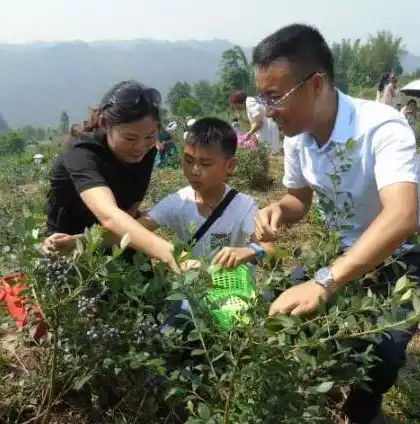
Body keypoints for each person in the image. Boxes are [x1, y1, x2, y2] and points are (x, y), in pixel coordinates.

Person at [252, 24, 420, 424]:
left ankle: (363, 408)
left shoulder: (380, 127)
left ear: (316, 83)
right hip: (338, 252)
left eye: (275, 97)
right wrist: (278, 209)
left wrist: (325, 281)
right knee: (266, 304)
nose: (268, 110)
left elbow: (402, 216)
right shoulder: (297, 139)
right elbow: (299, 200)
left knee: (381, 352)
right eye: (263, 96)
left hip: (399, 257)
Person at [45, 117, 274, 269]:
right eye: (188, 160)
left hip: (236, 293)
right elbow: (129, 232)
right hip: (192, 293)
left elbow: (270, 251)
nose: (194, 171)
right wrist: (79, 242)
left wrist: (248, 251)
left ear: (230, 166)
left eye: (205, 164)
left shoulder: (244, 206)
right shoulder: (178, 201)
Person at [43, 80, 178, 271]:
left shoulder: (148, 151)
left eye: (149, 136)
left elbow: (130, 209)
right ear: (105, 124)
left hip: (118, 236)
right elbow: (109, 215)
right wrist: (170, 254)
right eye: (130, 138)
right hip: (70, 244)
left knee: (146, 294)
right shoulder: (81, 154)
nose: (140, 147)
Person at [229, 90, 281, 154]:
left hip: (267, 128)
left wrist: (249, 134)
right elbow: (253, 123)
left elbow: (258, 123)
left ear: (240, 102)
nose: (238, 109)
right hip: (265, 128)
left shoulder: (250, 104)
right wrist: (241, 119)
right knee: (267, 152)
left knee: (270, 152)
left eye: (237, 107)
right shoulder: (249, 104)